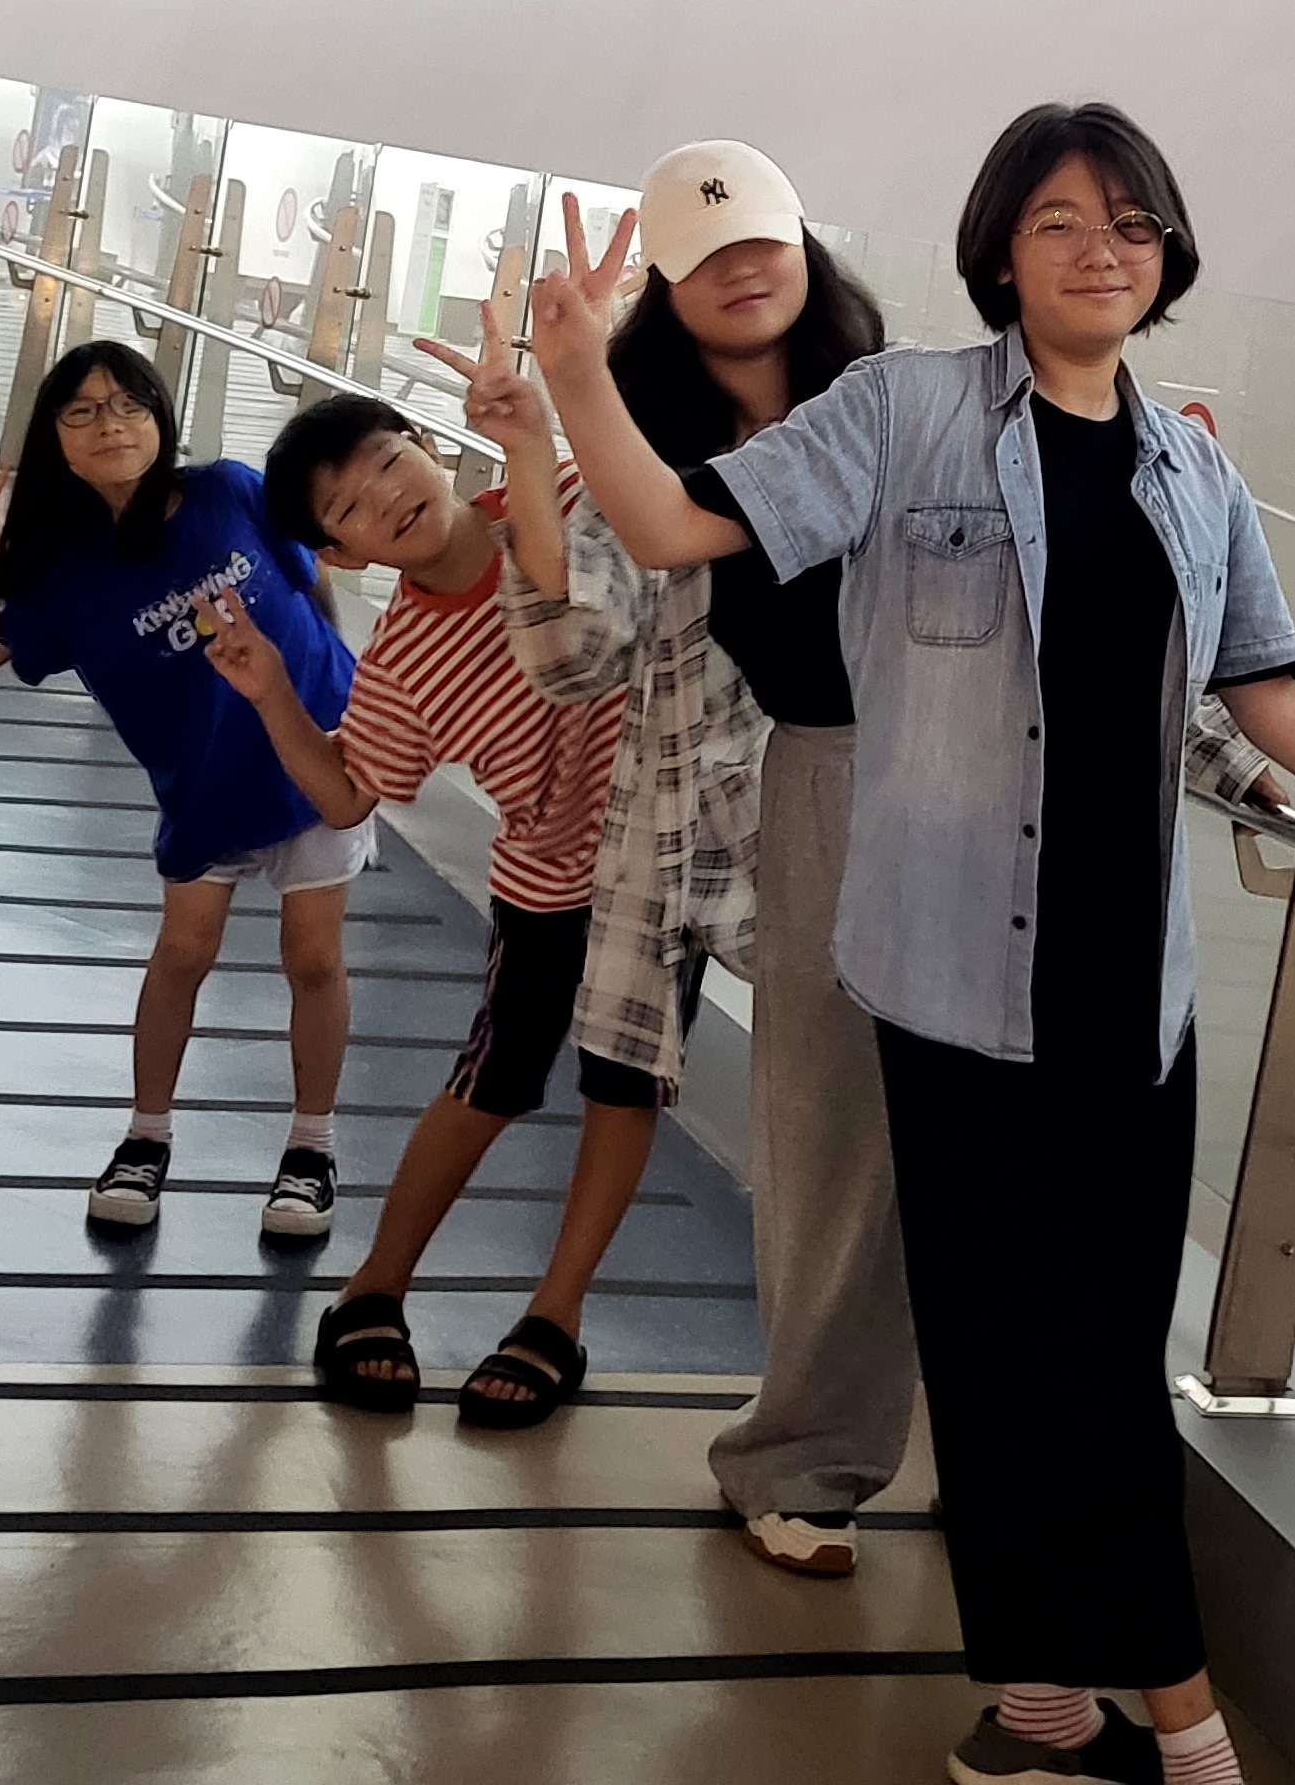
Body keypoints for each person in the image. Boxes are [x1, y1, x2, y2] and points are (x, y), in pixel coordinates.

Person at [535, 102, 1295, 1785]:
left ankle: (1048, 1713)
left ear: (1168, 258)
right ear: (1000, 250)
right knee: (1021, 1357)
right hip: (948, 979)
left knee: (1087, 1354)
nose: (1100, 250)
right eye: (1061, 221)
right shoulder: (903, 409)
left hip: (1131, 994)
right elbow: (671, 532)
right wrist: (577, 380)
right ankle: (1180, 1728)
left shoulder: (1192, 472)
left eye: (1132, 224)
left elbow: (1276, 699)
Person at [485, 140, 905, 1580]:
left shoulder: (894, 414)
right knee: (823, 1157)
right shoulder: (636, 449)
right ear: (662, 287)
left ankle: (972, 1446)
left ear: (807, 247)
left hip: (925, 820)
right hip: (727, 832)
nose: (741, 268)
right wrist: (540, 439)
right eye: (703, 253)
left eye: (761, 238)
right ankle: (796, 1458)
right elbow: (571, 657)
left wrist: (1235, 761)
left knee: (958, 1156)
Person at [209, 369, 658, 1430]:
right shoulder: (404, 661)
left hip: (662, 867)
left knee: (626, 1084)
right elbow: (347, 790)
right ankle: (374, 1288)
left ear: (425, 442)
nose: (386, 496)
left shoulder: (567, 491)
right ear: (342, 554)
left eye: (386, 462)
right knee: (489, 1081)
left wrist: (560, 394)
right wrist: (270, 692)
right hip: (548, 888)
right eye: (349, 506)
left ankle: (556, 1314)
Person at [0, 341, 364, 1241]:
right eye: (84, 411)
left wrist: (339, 702)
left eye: (130, 404)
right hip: (202, 782)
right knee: (182, 953)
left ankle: (312, 1148)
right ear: (56, 440)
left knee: (313, 958)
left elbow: (313, 581)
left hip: (314, 761)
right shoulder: (65, 570)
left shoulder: (229, 490)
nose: (112, 426)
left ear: (160, 416)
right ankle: (147, 1135)